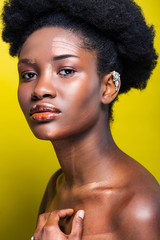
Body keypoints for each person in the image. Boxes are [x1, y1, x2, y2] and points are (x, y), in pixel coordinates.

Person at [1, 0, 160, 239]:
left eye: (66, 71)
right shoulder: (57, 186)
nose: (40, 89)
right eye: (29, 74)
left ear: (108, 87)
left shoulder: (139, 207)